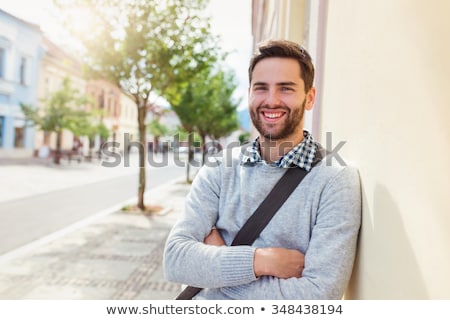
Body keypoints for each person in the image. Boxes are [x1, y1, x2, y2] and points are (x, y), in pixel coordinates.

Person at [163, 39, 361, 299]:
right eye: (261, 88)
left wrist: (216, 271)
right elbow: (175, 259)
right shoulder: (219, 168)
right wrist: (262, 261)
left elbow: (317, 296)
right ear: (249, 95)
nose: (271, 100)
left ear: (309, 97)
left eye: (286, 89)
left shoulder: (335, 180)